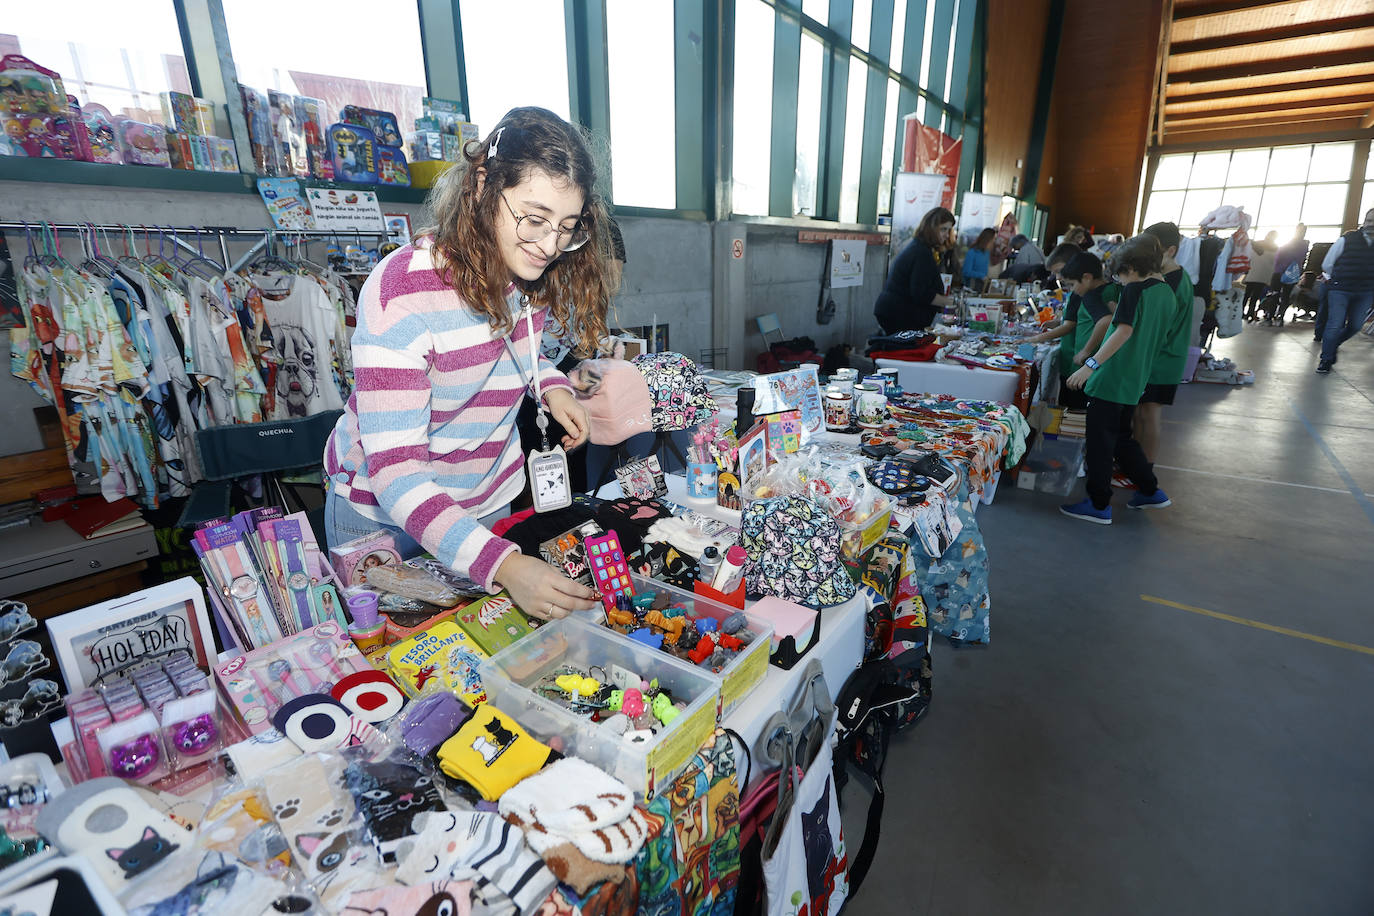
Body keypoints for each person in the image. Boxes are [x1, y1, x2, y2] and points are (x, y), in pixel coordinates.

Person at [322, 107, 610, 620]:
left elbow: (518, 350)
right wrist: (505, 566)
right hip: (386, 521)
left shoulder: (526, 272)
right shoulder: (403, 291)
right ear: (482, 183)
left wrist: (551, 385)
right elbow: (396, 472)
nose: (549, 245)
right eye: (534, 218)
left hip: (487, 504)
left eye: (567, 227)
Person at [1059, 234, 1173, 524]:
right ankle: (1150, 490)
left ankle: (1098, 505)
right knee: (1122, 438)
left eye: (1120, 276)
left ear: (1131, 269)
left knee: (1099, 443)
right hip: (1135, 378)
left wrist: (1090, 365)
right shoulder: (1167, 294)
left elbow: (1123, 331)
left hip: (1111, 377)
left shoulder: (1135, 291)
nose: (1120, 283)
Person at [1025, 244, 1118, 410]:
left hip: (1084, 363)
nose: (1071, 288)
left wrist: (1086, 351)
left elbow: (1105, 321)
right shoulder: (1110, 290)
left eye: (1072, 284)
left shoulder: (1090, 294)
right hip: (1096, 364)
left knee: (1075, 411)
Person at [1135, 222, 1196, 468]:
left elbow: (1159, 325)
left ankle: (1144, 469)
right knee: (1139, 413)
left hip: (1164, 359)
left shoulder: (1172, 282)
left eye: (1154, 249)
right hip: (1157, 357)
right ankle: (1135, 464)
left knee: (1149, 414)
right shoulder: (1167, 277)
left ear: (1170, 250)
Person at [875, 207, 955, 333]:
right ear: (931, 228)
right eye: (943, 229)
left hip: (896, 311)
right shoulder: (921, 252)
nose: (946, 234)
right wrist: (951, 302)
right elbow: (921, 293)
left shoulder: (920, 247)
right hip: (899, 314)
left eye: (949, 230)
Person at [1316, 208, 1374, 374]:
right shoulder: (1346, 239)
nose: (1371, 224)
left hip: (1365, 291)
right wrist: (1337, 277)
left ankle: (1332, 345)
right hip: (1340, 289)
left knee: (1355, 326)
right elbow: (1327, 264)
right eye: (1369, 220)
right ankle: (1326, 359)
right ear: (1364, 222)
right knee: (1334, 324)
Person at [1271, 224, 1309, 325]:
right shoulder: (1304, 245)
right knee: (1286, 296)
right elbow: (1301, 259)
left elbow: (1278, 256)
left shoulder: (1288, 243)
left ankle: (1270, 317)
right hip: (1293, 273)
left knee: (1275, 294)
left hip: (1279, 271)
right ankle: (1281, 316)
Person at [1243, 230, 1277, 322]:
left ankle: (1240, 312)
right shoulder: (1275, 248)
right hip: (1263, 275)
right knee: (1255, 296)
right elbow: (1273, 264)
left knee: (1247, 294)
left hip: (1252, 272)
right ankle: (1250, 313)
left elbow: (1248, 256)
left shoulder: (1256, 244)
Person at [961, 228, 995, 292]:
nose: (994, 242)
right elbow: (966, 272)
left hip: (982, 288)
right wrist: (982, 276)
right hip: (971, 288)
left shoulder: (987, 253)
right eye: (993, 240)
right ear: (987, 240)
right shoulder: (972, 252)